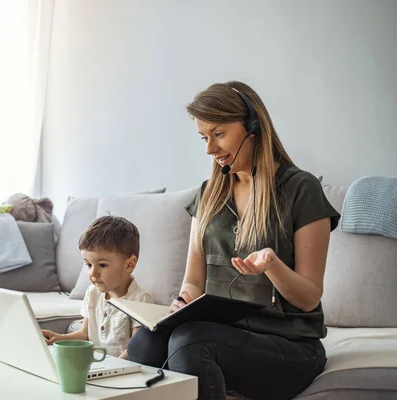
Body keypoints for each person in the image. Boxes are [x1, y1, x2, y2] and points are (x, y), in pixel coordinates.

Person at [127, 81, 340, 400]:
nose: (209, 149)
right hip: (226, 336)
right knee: (144, 343)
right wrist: (181, 304)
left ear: (252, 127)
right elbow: (194, 281)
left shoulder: (301, 189)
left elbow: (309, 297)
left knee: (191, 342)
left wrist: (271, 265)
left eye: (218, 133)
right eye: (203, 137)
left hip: (291, 347)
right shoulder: (209, 193)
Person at [42, 215, 154, 359]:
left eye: (102, 265)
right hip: (95, 365)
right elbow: (85, 334)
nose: (93, 273)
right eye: (88, 264)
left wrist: (115, 367)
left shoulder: (140, 299)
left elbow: (135, 348)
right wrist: (59, 338)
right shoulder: (92, 293)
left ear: (129, 264)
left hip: (121, 370)